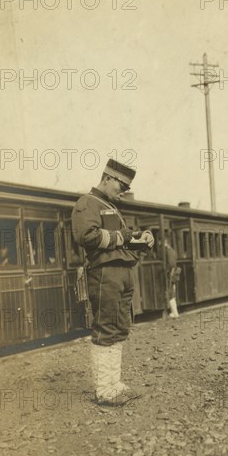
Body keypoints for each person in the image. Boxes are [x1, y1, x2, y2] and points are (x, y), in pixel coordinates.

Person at [71, 159, 154, 407]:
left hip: (122, 272)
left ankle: (114, 383)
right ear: (107, 178)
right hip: (106, 274)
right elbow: (87, 236)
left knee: (119, 328)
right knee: (106, 328)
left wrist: (142, 239)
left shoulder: (109, 205)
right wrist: (125, 237)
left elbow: (122, 240)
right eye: (121, 185)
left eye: (126, 187)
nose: (123, 191)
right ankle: (103, 389)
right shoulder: (88, 203)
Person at [165, 236, 180, 318]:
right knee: (172, 293)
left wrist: (166, 271)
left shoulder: (168, 251)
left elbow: (170, 264)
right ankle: (174, 312)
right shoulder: (173, 251)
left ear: (165, 242)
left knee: (170, 294)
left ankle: (175, 313)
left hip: (170, 275)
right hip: (174, 275)